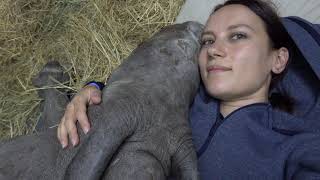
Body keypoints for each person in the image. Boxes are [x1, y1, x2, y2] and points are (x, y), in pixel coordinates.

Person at [57, 0, 320, 179]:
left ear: (278, 59)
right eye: (207, 41)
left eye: (238, 35)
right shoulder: (181, 96)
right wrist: (92, 91)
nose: (214, 50)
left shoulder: (294, 146)